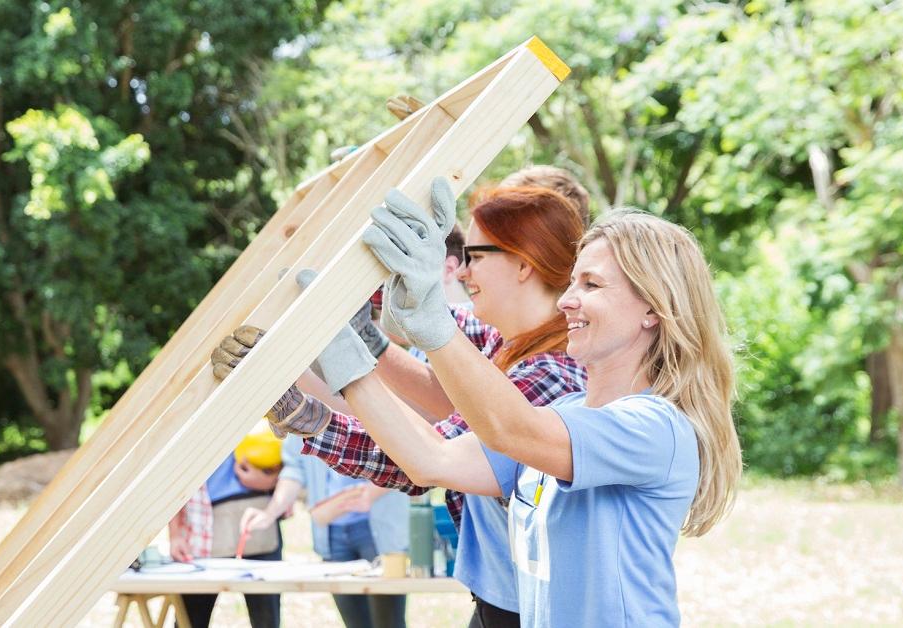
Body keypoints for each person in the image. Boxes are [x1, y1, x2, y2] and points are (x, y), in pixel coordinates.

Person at [350, 187, 743, 626]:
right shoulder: (568, 411)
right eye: (573, 281)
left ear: (652, 308)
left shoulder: (654, 427)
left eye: (591, 284)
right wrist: (345, 360)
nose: (566, 300)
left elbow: (513, 428)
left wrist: (431, 320)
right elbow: (430, 459)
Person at [211, 185, 588, 627]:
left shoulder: (550, 379)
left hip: (532, 612)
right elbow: (438, 377)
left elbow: (424, 457)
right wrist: (345, 256)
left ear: (524, 264)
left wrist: (307, 415)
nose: (462, 272)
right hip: (500, 600)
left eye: (477, 256)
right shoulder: (503, 344)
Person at [240, 438, 409, 628]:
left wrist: (370, 494)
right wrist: (269, 513)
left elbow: (406, 458)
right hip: (332, 535)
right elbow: (294, 471)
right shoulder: (303, 415)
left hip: (378, 530)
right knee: (356, 623)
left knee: (389, 623)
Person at [168, 426, 286, 628]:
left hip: (257, 527)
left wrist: (270, 480)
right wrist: (175, 534)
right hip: (200, 533)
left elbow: (292, 465)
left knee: (266, 621)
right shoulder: (184, 424)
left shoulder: (257, 409)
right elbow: (171, 481)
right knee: (190, 621)